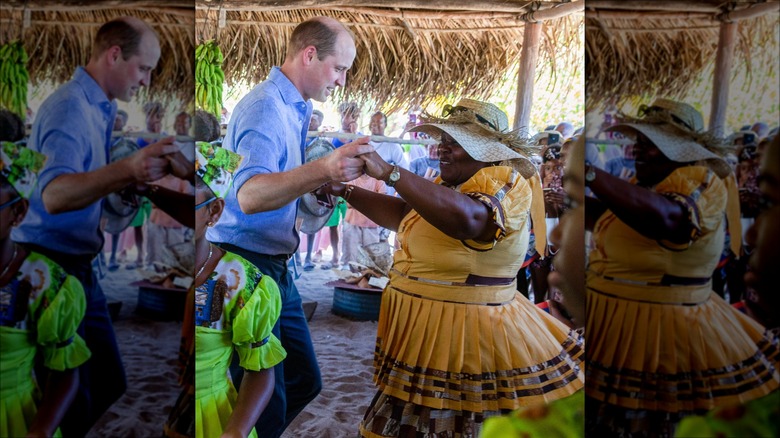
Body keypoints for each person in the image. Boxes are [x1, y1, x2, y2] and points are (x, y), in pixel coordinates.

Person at [319, 98, 583, 436]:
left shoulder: (505, 181)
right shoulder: (448, 185)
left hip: (467, 335)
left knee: (456, 421)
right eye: (443, 140)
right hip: (429, 330)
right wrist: (346, 192)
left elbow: (470, 220)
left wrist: (390, 173)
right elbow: (404, 216)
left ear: (485, 149)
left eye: (455, 144)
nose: (442, 149)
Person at [11, 17, 189, 436]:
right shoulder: (71, 106)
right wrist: (126, 169)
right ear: (114, 55)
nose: (146, 81)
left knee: (102, 383)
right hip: (49, 262)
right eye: (143, 68)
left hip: (77, 263)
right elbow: (54, 195)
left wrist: (126, 182)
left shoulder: (99, 105)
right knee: (74, 390)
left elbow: (84, 181)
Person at [206, 16, 373, 438]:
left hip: (276, 264)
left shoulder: (293, 107)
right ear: (309, 54)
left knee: (303, 381)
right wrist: (321, 168)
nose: (342, 80)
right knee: (266, 396)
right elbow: (248, 195)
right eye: (339, 68)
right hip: (246, 262)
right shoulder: (265, 107)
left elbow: (277, 186)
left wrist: (319, 184)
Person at [584, 98, 779, 436]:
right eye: (638, 143)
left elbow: (670, 219)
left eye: (651, 145)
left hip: (660, 329)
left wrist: (588, 173)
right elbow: (612, 217)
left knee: (650, 421)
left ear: (679, 150)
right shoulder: (642, 186)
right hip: (615, 319)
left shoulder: (703, 179)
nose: (637, 151)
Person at [193, 142, 286, 438]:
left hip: (207, 421)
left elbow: (259, 370)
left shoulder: (238, 284)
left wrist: (236, 431)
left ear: (213, 211)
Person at [1, 143, 91, 438]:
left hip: (12, 418)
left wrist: (41, 430)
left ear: (17, 211)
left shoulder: (45, 284)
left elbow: (63, 370)